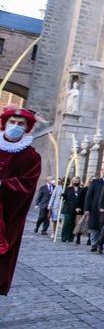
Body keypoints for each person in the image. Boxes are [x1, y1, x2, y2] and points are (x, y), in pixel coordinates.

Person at [0, 106, 42, 296]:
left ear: (27, 127)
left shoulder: (31, 156)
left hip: (8, 214)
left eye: (20, 123)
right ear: (5, 123)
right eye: (12, 122)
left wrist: (3, 185)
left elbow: (27, 184)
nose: (15, 126)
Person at [85, 168, 104, 249]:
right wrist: (87, 208)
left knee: (103, 227)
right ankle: (94, 243)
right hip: (95, 207)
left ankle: (100, 243)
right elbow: (89, 196)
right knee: (94, 226)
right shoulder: (95, 182)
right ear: (101, 172)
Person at [60, 176, 83, 243]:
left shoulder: (81, 189)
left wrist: (79, 207)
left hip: (77, 210)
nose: (76, 182)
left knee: (73, 224)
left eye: (77, 181)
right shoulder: (68, 188)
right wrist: (62, 196)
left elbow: (82, 199)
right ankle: (64, 236)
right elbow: (65, 197)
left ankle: (71, 237)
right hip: (68, 208)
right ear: (72, 181)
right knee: (67, 223)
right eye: (75, 181)